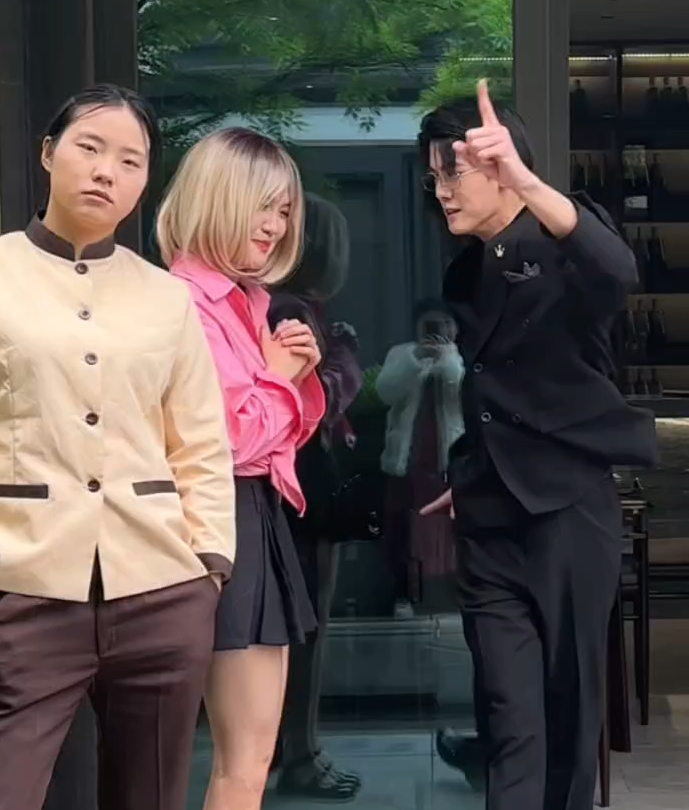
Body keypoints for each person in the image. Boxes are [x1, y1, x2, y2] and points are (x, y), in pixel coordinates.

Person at [0, 85, 235, 810]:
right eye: (90, 148)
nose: (107, 171)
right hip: (24, 586)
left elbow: (200, 443)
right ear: (49, 154)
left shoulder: (166, 297)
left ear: (144, 182)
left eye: (131, 161)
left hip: (162, 589)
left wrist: (209, 566)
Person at [417, 81, 659, 810]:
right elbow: (490, 389)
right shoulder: (465, 271)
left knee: (569, 711)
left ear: (502, 166)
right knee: (508, 716)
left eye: (452, 173)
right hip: (489, 519)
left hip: (568, 514)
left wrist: (527, 182)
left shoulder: (565, 245)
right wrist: (478, 468)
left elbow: (618, 270)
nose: (441, 192)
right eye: (433, 178)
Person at [157, 127, 325, 810]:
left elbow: (273, 443)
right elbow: (224, 442)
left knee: (248, 759)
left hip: (249, 516)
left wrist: (292, 374)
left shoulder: (243, 301)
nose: (275, 225)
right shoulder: (184, 303)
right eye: (262, 205)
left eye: (284, 210)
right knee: (240, 764)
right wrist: (282, 378)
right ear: (217, 198)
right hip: (217, 517)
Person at [268, 192, 365, 801]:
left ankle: (292, 750)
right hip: (300, 489)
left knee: (297, 628)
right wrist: (346, 356)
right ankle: (299, 754)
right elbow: (317, 397)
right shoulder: (291, 310)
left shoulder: (282, 304)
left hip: (294, 488)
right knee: (307, 628)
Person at [378, 299, 466, 618]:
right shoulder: (402, 354)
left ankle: (451, 594)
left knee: (449, 532)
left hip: (446, 462)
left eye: (443, 325)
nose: (436, 331)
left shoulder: (463, 357)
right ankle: (403, 594)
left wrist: (447, 358)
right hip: (407, 459)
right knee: (402, 530)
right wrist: (417, 360)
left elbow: (462, 392)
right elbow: (386, 392)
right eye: (428, 325)